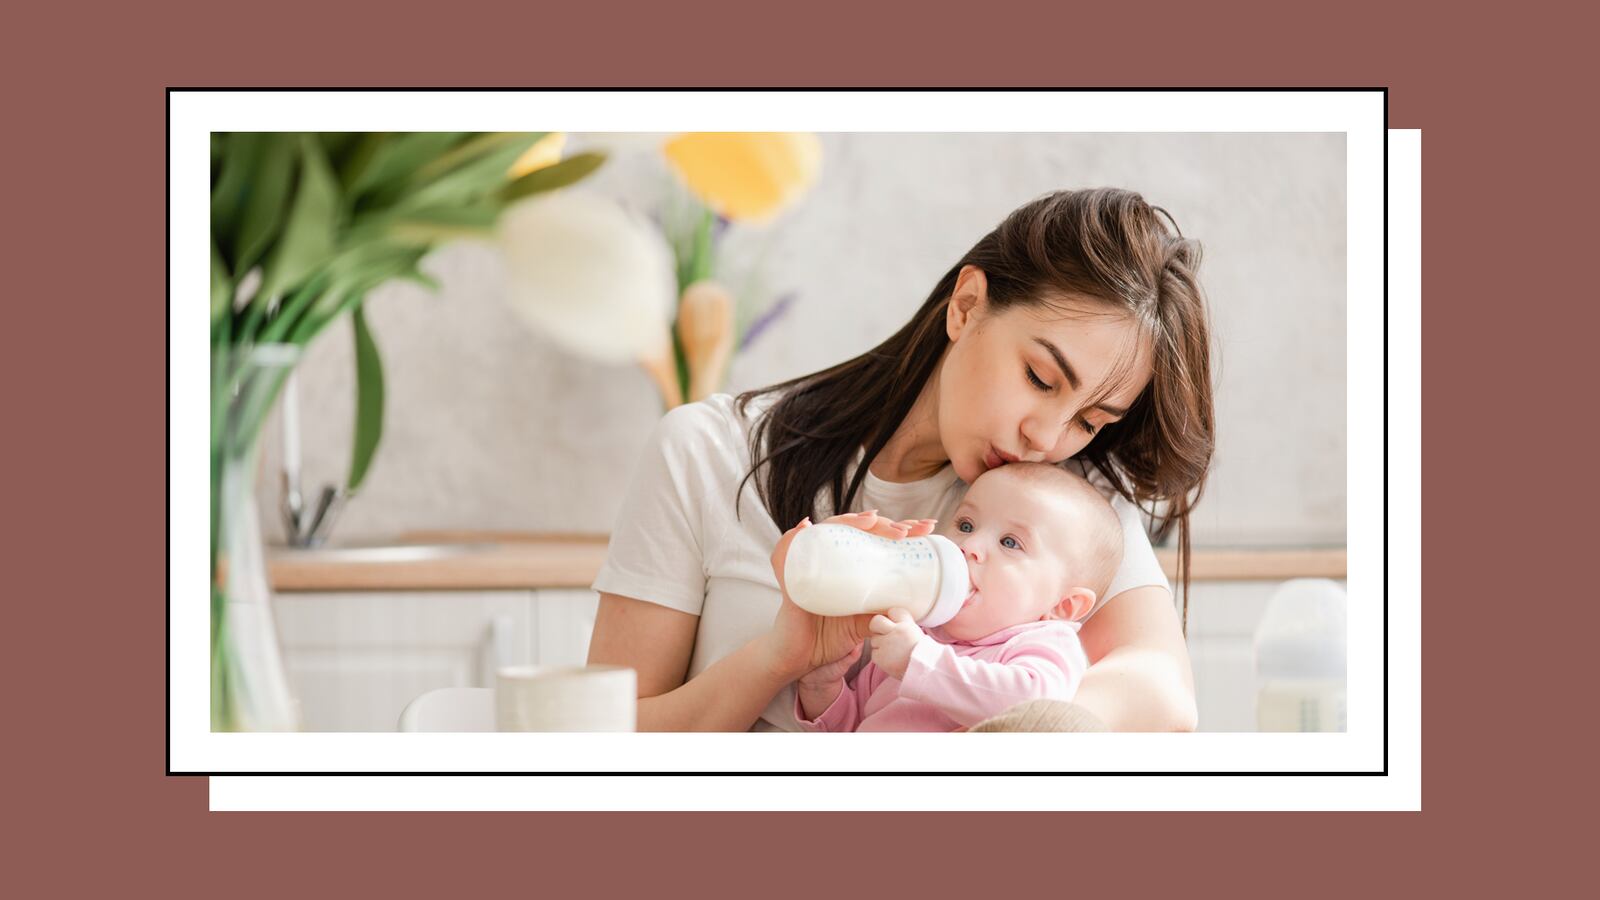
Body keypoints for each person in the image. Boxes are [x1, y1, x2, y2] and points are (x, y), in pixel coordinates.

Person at [588, 187, 1215, 732]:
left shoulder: (1066, 508)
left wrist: (978, 750)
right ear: (966, 306)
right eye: (1040, 378)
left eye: (1088, 422)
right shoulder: (706, 451)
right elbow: (601, 738)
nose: (1045, 439)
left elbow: (1162, 691)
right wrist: (781, 657)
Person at [790, 462, 1122, 732]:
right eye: (966, 525)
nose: (970, 546)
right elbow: (853, 728)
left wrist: (918, 662)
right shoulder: (916, 633)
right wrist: (823, 689)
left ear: (1063, 606)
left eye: (1010, 543)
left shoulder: (1042, 644)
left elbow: (1035, 708)